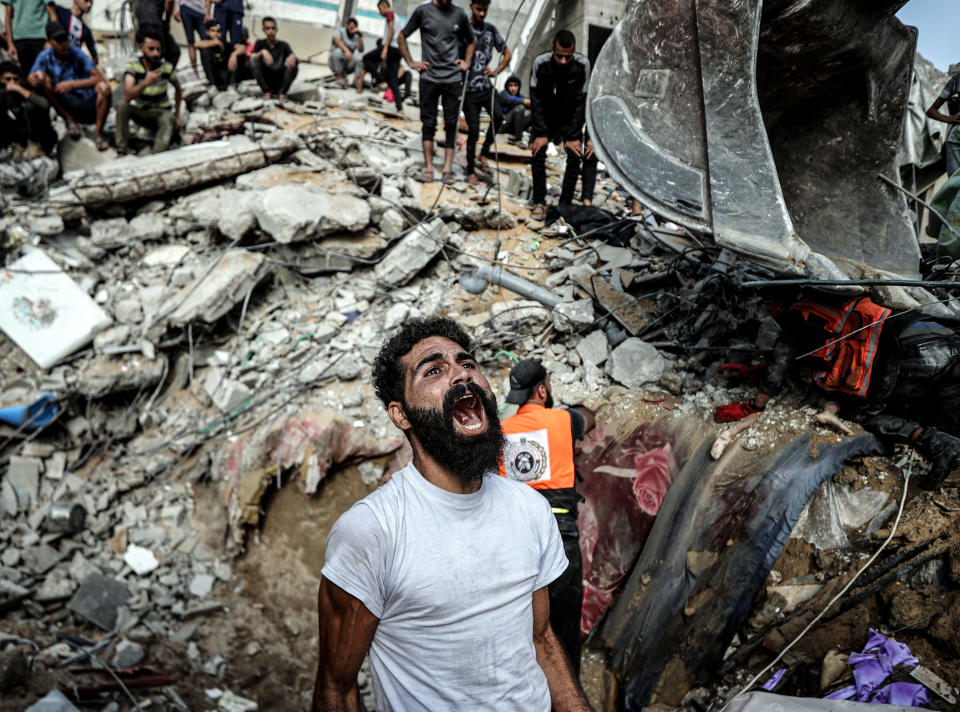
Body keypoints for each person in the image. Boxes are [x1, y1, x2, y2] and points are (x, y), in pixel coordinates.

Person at [313, 316, 593, 711]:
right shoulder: (372, 531)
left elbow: (542, 639)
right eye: (434, 370)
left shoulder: (529, 508)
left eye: (468, 363)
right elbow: (336, 688)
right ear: (401, 415)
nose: (462, 375)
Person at [714, 292, 960, 488]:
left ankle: (935, 443)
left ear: (777, 304)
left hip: (908, 356)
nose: (772, 316)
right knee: (946, 411)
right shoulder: (834, 297)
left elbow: (781, 362)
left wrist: (755, 405)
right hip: (938, 335)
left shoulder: (798, 317)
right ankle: (951, 448)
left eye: (770, 310)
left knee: (862, 413)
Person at [500, 358, 595, 675]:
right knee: (565, 628)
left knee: (525, 628)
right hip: (561, 537)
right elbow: (588, 420)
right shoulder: (565, 420)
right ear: (541, 390)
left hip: (516, 542)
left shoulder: (499, 433)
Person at [398, 0, 475, 185]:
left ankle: (447, 170)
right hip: (429, 78)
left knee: (451, 125)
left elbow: (472, 41)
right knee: (428, 124)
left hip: (452, 78)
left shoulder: (459, 14)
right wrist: (411, 62)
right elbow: (401, 36)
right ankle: (429, 169)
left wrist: (467, 62)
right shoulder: (422, 11)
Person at [529, 29, 597, 221]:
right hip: (547, 118)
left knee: (575, 156)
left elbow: (582, 101)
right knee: (537, 152)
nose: (563, 61)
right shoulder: (540, 64)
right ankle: (540, 202)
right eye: (559, 56)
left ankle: (565, 205)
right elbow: (536, 100)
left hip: (570, 119)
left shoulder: (583, 65)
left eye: (568, 57)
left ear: (574, 51)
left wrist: (573, 135)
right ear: (553, 50)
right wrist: (541, 133)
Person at [28, 20, 110, 149]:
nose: (64, 44)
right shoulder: (45, 56)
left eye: (65, 39)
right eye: (58, 40)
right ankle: (69, 119)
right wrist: (34, 78)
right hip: (65, 102)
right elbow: (31, 76)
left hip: (86, 100)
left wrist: (73, 84)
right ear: (50, 41)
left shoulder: (76, 53)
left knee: (104, 88)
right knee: (41, 77)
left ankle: (97, 132)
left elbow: (100, 78)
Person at [462, 0, 509, 184]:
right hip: (468, 90)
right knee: (473, 130)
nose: (482, 14)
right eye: (478, 9)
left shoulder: (491, 30)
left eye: (485, 10)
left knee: (498, 116)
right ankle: (470, 171)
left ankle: (484, 153)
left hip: (486, 87)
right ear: (471, 6)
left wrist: (496, 70)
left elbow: (507, 53)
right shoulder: (463, 27)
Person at [115, 26, 182, 155]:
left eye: (158, 49)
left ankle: (157, 155)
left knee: (168, 118)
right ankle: (121, 151)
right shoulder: (133, 66)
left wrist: (177, 115)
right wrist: (146, 82)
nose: (156, 53)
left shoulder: (166, 68)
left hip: (161, 112)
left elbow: (178, 89)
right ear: (141, 48)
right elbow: (128, 96)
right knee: (122, 106)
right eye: (151, 49)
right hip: (142, 111)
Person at [0, 57, 56, 155]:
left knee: (31, 107)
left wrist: (20, 90)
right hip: (20, 133)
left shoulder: (28, 88)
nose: (12, 82)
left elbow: (45, 104)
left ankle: (36, 146)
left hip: (41, 134)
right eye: (8, 79)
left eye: (15, 79)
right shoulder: (3, 93)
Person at [357, 0, 404, 113]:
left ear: (384, 6)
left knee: (366, 58)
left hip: (390, 47)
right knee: (393, 80)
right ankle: (400, 108)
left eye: (379, 9)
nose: (380, 12)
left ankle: (381, 80)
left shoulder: (389, 13)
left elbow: (391, 30)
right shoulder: (397, 18)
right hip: (398, 50)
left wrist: (385, 48)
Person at [3, 0, 57, 76]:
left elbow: (53, 15)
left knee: (42, 75)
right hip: (19, 39)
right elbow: (8, 18)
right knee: (24, 76)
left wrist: (51, 41)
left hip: (41, 38)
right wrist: (10, 44)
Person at [250, 16, 297, 100]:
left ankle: (282, 93)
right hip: (266, 80)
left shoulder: (284, 45)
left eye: (273, 28)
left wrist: (293, 58)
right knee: (254, 60)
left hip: (280, 79)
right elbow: (252, 57)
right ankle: (266, 92)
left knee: (294, 63)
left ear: (276, 29)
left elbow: (294, 58)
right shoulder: (260, 43)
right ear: (263, 30)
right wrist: (262, 52)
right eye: (267, 28)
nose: (271, 31)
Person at [927, 70, 960, 178]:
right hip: (956, 142)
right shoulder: (957, 79)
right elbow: (931, 111)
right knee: (954, 187)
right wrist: (950, 119)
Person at [195, 19, 243, 89]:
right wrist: (216, 42)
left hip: (226, 75)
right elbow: (196, 45)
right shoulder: (206, 44)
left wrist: (234, 55)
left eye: (218, 31)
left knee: (238, 54)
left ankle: (233, 85)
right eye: (213, 31)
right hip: (215, 77)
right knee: (204, 52)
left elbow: (242, 48)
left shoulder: (225, 44)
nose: (216, 33)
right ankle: (212, 85)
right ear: (207, 32)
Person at [131, 0, 181, 67]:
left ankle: (151, 72)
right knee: (172, 52)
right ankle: (163, 74)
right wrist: (167, 22)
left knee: (150, 48)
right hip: (153, 17)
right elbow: (169, 1)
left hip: (141, 15)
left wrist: (174, 10)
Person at [50, 0, 98, 64]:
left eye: (91, 2)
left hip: (70, 67)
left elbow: (95, 58)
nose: (89, 5)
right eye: (86, 0)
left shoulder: (86, 30)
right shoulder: (59, 12)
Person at [174, 0, 208, 77]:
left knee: (206, 41)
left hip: (201, 10)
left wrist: (207, 12)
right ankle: (195, 73)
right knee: (191, 41)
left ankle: (208, 72)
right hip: (186, 7)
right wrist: (174, 10)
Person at [498, 72, 531, 145]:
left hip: (514, 127)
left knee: (535, 113)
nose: (513, 88)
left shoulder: (520, 96)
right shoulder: (503, 94)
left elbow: (530, 103)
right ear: (507, 86)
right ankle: (518, 140)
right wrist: (523, 101)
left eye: (516, 85)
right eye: (511, 85)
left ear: (519, 87)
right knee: (520, 108)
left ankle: (533, 140)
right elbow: (509, 100)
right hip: (503, 126)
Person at [329, 16, 362, 88]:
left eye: (354, 28)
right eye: (351, 28)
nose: (352, 30)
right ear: (347, 25)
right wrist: (347, 51)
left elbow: (361, 49)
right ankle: (340, 78)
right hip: (334, 62)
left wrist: (360, 36)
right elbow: (337, 40)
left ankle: (355, 82)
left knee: (360, 59)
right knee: (338, 51)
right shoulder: (340, 30)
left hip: (347, 64)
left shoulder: (356, 36)